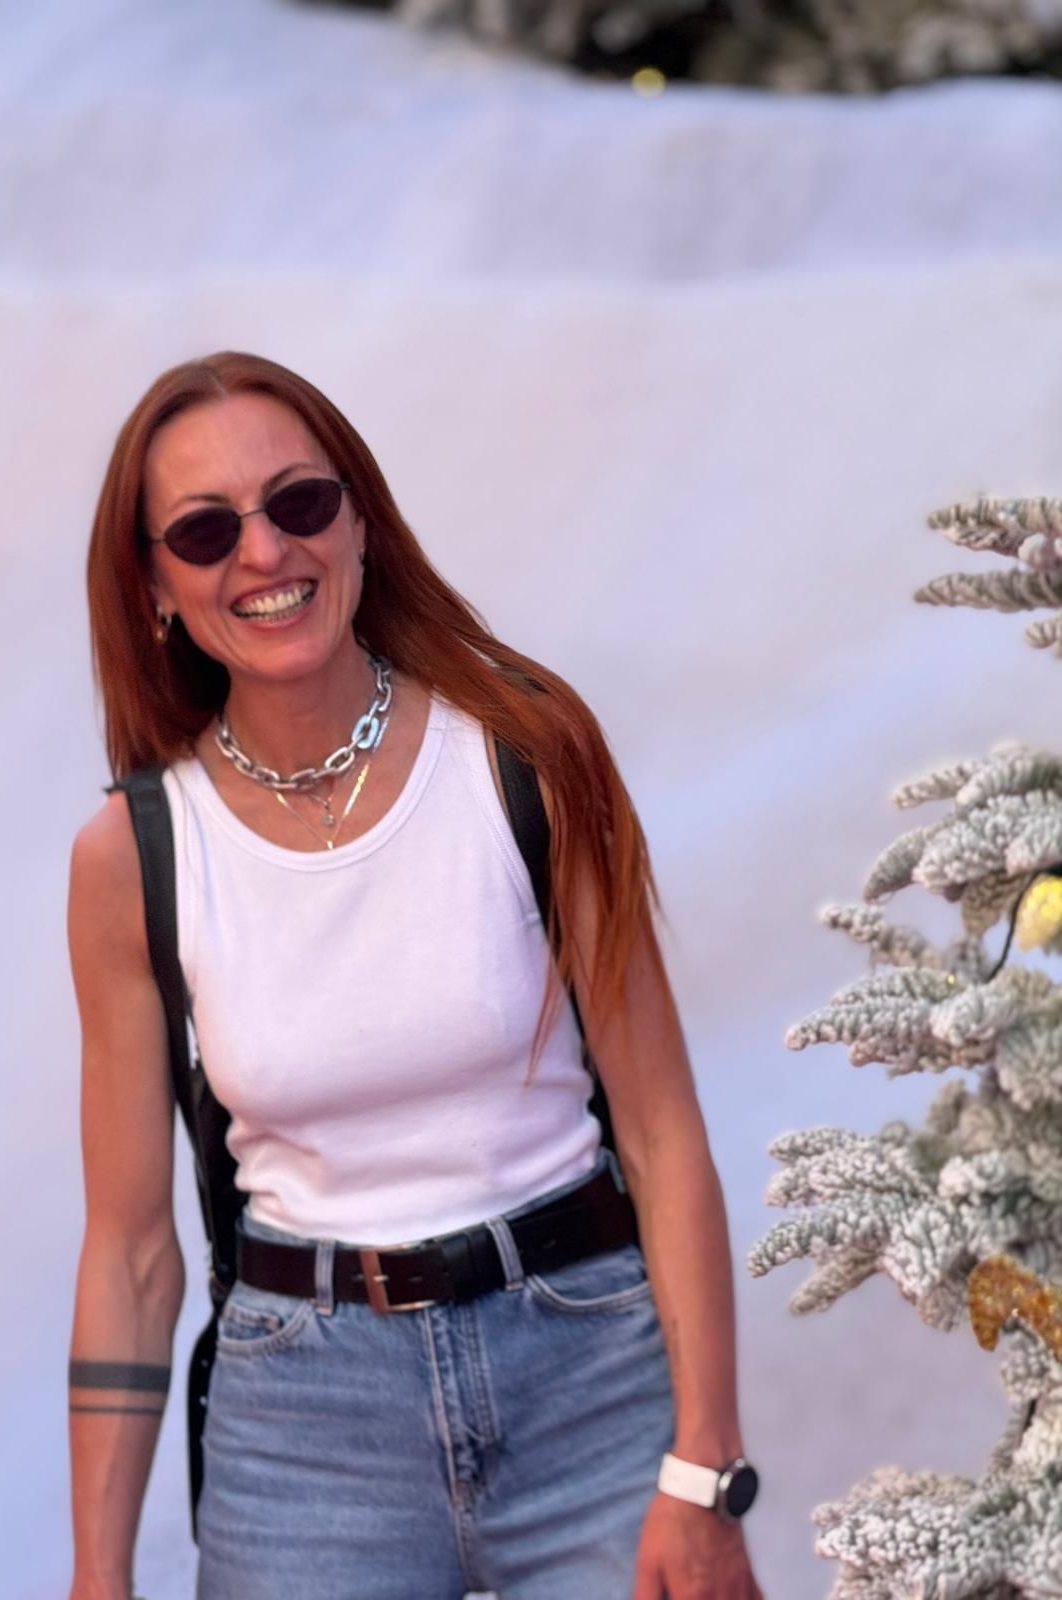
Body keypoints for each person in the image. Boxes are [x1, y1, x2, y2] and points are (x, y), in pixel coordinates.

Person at [66, 350, 764, 1600]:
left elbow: (663, 1132)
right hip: (306, 1423)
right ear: (154, 584)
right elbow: (128, 1251)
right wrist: (96, 1575)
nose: (265, 552)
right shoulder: (135, 853)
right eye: (207, 530)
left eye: (300, 503)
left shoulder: (527, 755)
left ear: (361, 523)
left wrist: (705, 1466)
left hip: (590, 1374)